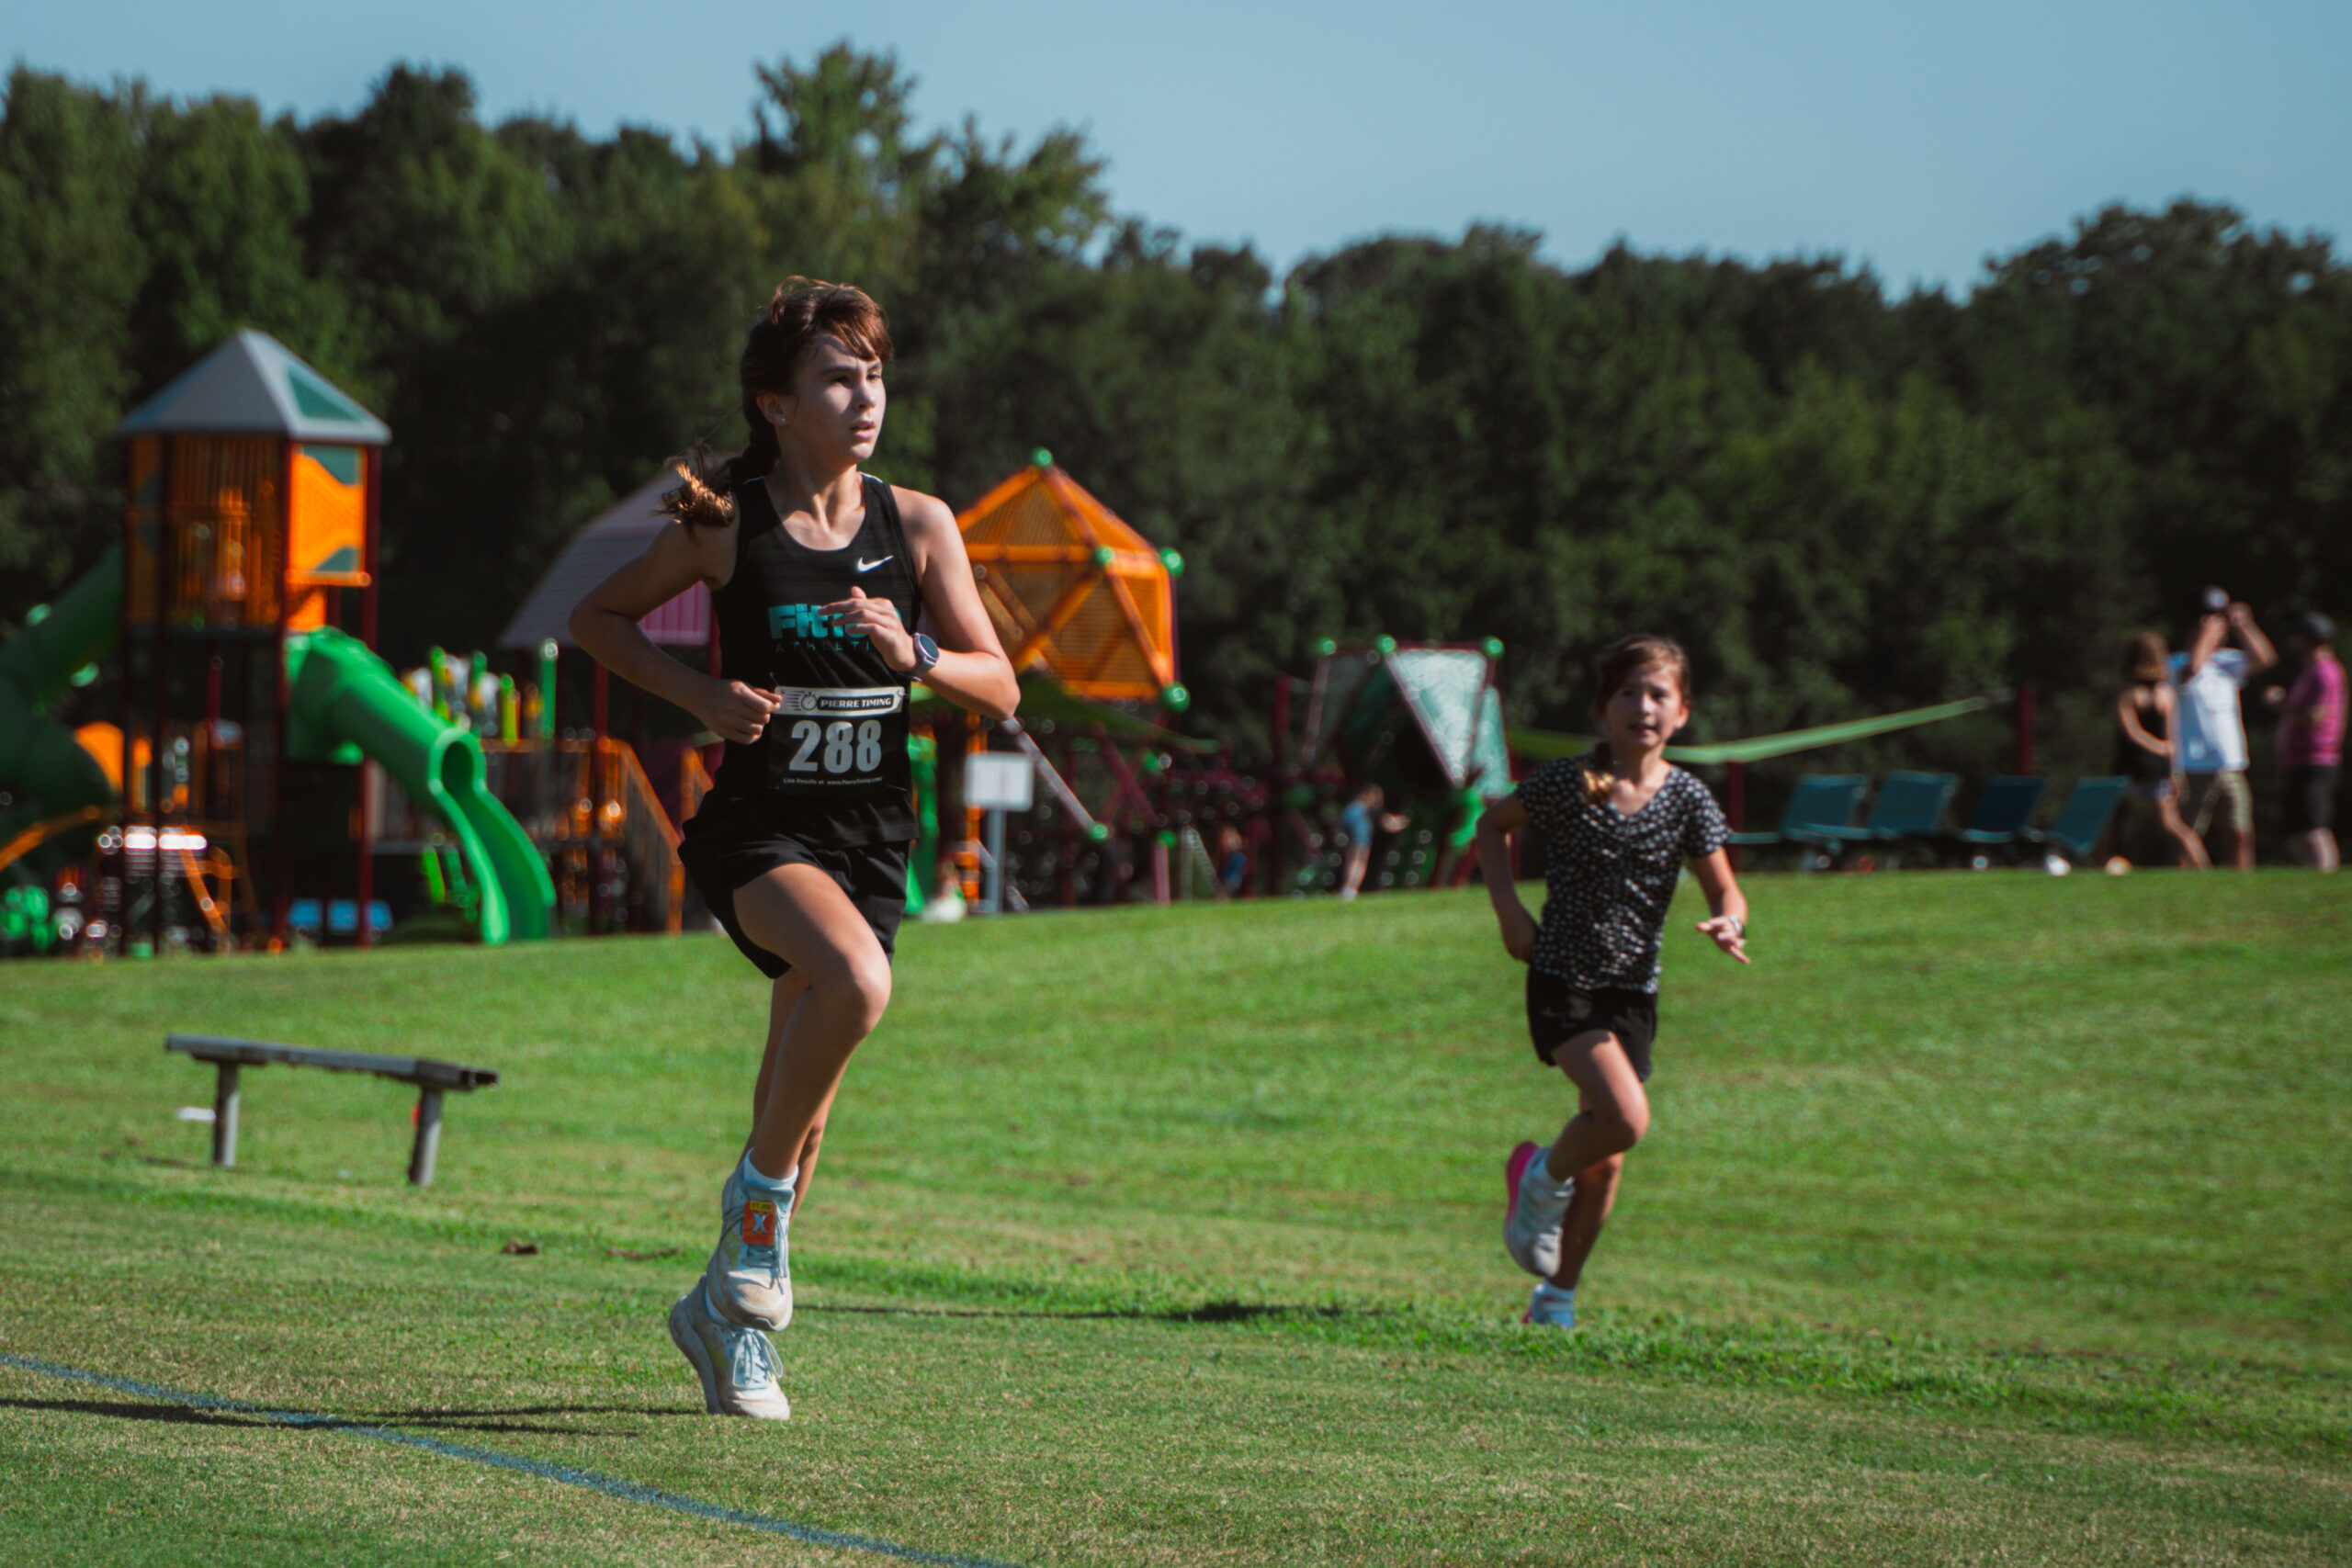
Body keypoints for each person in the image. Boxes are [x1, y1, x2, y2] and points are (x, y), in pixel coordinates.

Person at [570, 279, 1018, 1419]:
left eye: (874, 374)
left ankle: (725, 1319)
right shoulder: (727, 524)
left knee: (803, 1108)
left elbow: (1001, 686)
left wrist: (915, 653)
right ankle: (755, 1212)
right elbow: (596, 621)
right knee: (856, 983)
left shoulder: (920, 525)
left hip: (870, 841)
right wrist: (698, 694)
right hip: (759, 833)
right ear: (776, 405)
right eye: (836, 378)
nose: (865, 398)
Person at [1474, 634, 1749, 1329]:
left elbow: (1726, 889)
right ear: (1604, 708)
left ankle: (1556, 1300)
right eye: (1628, 692)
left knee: (1609, 1154)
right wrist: (1509, 911)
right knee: (1626, 1118)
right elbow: (1491, 825)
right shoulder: (1569, 783)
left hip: (1633, 993)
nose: (1643, 707)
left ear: (1682, 712)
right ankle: (1538, 1176)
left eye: (1658, 694)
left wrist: (1730, 921)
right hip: (1563, 979)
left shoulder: (1687, 798)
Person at [2173, 596, 2274, 871]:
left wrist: (2243, 625)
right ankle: (2183, 882)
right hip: (2193, 765)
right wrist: (2206, 635)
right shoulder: (2176, 663)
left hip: (2231, 763)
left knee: (2239, 831)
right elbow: (2192, 670)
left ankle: (2242, 880)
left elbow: (2265, 658)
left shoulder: (2226, 662)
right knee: (2188, 833)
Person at [2110, 632, 2209, 869]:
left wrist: (2156, 747)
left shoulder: (2127, 693)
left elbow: (2131, 732)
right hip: (2159, 767)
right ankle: (2202, 865)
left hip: (2131, 765)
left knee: (2111, 818)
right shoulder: (2166, 693)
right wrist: (2175, 770)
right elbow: (2171, 735)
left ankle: (2104, 861)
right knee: (2171, 823)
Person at [2267, 613, 2344, 871]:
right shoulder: (2311, 671)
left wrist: (2281, 705)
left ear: (2307, 639)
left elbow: (2315, 717)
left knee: (2314, 829)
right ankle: (2310, 879)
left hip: (2315, 759)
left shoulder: (2323, 672)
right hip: (2300, 760)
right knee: (2303, 831)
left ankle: (2324, 881)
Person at [1334, 784, 1408, 899]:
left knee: (1351, 861)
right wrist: (1403, 822)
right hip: (1360, 838)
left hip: (1350, 839)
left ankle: (1346, 889)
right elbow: (1388, 824)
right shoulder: (1367, 809)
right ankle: (1350, 890)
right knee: (1359, 862)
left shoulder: (1350, 808)